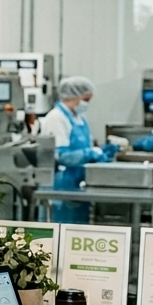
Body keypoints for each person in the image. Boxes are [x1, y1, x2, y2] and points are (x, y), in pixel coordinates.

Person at [39, 76, 116, 223]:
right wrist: (90, 153)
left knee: (78, 230)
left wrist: (100, 152)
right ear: (73, 96)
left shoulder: (79, 118)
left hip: (78, 182)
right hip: (61, 184)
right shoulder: (56, 118)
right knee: (61, 228)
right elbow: (61, 156)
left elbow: (85, 147)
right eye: (85, 99)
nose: (86, 104)